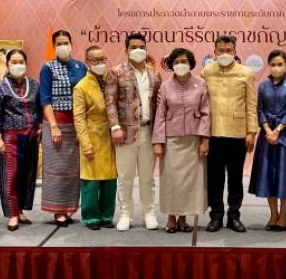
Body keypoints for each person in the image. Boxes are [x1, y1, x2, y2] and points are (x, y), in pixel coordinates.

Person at [105, 32, 162, 231]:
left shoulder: (155, 74)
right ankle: (126, 214)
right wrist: (115, 127)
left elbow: (159, 106)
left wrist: (159, 133)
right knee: (125, 177)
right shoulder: (116, 72)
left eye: (141, 47)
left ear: (146, 49)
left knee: (147, 178)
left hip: (148, 131)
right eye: (134, 47)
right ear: (126, 50)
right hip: (124, 133)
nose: (138, 50)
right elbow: (110, 101)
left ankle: (149, 213)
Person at [201, 35, 257, 233]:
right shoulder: (206, 71)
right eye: (221, 51)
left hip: (237, 134)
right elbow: (201, 103)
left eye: (228, 50)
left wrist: (251, 132)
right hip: (213, 133)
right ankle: (216, 216)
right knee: (214, 179)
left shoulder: (245, 73)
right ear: (214, 52)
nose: (225, 54)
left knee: (235, 178)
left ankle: (234, 216)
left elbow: (251, 104)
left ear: (235, 51)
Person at [152, 47, 210, 233]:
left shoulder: (201, 84)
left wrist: (204, 140)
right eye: (176, 62)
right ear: (171, 65)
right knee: (171, 181)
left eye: (184, 61)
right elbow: (160, 115)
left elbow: (206, 114)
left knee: (189, 182)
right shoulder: (165, 87)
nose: (180, 65)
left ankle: (183, 218)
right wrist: (158, 142)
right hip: (171, 141)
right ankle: (171, 217)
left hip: (193, 141)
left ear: (190, 63)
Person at [249, 50, 286, 231]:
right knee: (268, 175)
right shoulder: (263, 86)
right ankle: (273, 214)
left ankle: (283, 214)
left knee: (284, 175)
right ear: (269, 66)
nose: (276, 68)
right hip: (267, 136)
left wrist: (278, 130)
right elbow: (259, 109)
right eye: (273, 64)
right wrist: (267, 130)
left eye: (280, 64)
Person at [0, 49, 41, 231]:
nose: (18, 65)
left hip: (31, 137)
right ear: (8, 64)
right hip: (10, 137)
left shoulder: (34, 85)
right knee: (10, 176)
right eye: (14, 62)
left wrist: (40, 126)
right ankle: (12, 213)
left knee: (27, 175)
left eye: (21, 62)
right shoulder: (0, 87)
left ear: (26, 64)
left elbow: (39, 108)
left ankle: (20, 211)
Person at [39, 30, 87, 226]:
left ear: (71, 44)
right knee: (56, 168)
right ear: (54, 46)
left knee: (73, 170)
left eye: (65, 42)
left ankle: (69, 208)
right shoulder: (47, 68)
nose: (63, 46)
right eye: (59, 43)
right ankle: (57, 210)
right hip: (56, 123)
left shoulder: (81, 67)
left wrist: (81, 128)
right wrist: (54, 126)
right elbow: (45, 99)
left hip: (77, 123)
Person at [73, 45, 118, 230]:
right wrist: (86, 144)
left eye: (102, 59)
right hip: (91, 135)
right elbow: (79, 118)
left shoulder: (111, 80)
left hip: (111, 136)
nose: (100, 63)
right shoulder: (81, 86)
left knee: (110, 179)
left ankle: (107, 215)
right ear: (87, 62)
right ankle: (91, 217)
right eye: (95, 60)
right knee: (91, 180)